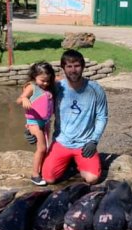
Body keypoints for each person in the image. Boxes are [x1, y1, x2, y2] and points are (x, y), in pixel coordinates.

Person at [40, 49, 108, 185]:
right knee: (48, 179)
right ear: (63, 68)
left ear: (83, 66)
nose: (73, 70)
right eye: (69, 66)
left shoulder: (95, 89)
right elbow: (42, 112)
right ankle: (68, 160)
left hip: (84, 143)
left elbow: (102, 116)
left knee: (92, 179)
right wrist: (33, 129)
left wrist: (94, 141)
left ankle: (77, 161)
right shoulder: (57, 88)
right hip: (61, 142)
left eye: (76, 66)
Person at [17, 61, 56, 186]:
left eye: (48, 81)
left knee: (47, 147)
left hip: (45, 122)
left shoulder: (49, 88)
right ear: (34, 77)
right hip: (34, 122)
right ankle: (35, 174)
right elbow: (19, 99)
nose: (45, 83)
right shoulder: (31, 87)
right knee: (41, 148)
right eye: (42, 80)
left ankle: (42, 170)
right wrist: (24, 99)